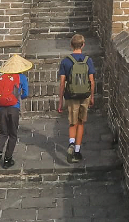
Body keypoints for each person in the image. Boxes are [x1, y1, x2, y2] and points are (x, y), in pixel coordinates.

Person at [58, 34, 95, 162]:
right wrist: (92, 96)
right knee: (81, 122)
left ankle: (71, 144)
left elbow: (62, 83)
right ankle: (78, 151)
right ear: (83, 45)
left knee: (72, 122)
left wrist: (60, 101)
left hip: (71, 96)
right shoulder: (88, 60)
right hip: (85, 95)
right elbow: (92, 80)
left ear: (71, 45)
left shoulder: (66, 61)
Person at [0, 53, 31, 170]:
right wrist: (17, 98)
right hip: (13, 108)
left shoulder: (1, 77)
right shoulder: (22, 77)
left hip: (0, 110)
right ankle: (7, 160)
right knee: (12, 134)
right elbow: (25, 94)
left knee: (2, 133)